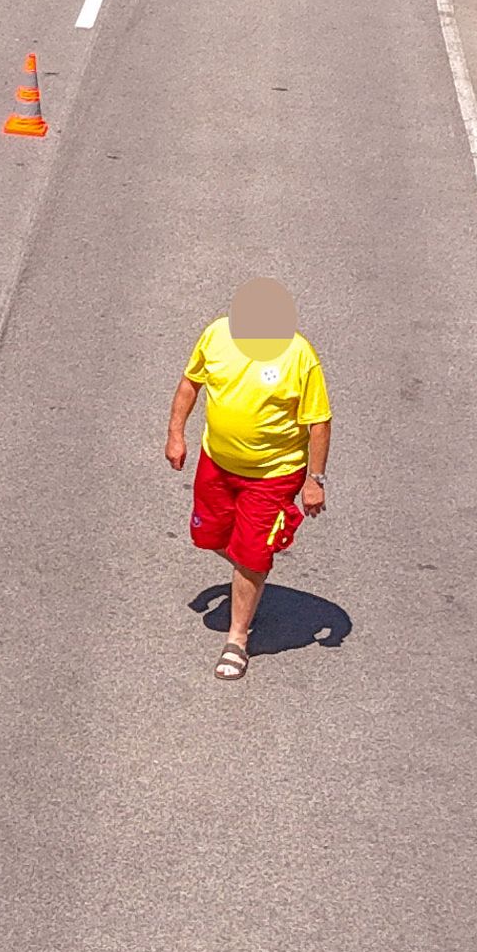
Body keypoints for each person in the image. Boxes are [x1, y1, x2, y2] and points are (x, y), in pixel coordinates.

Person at [161, 277, 333, 682]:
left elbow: (319, 422)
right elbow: (190, 383)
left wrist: (315, 480)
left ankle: (237, 639)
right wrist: (175, 434)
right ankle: (253, 567)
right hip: (217, 463)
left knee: (252, 554)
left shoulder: (299, 355)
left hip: (273, 474)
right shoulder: (216, 336)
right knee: (209, 537)